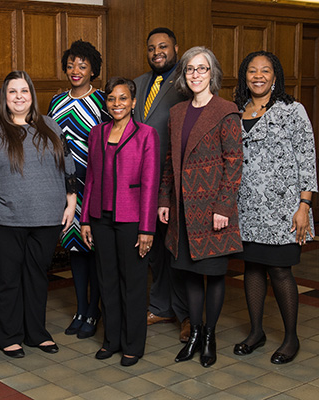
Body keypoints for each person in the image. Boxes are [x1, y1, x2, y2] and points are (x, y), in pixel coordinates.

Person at [0, 70, 77, 359]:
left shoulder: (50, 126)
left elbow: (67, 167)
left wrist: (70, 205)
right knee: (6, 278)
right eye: (12, 91)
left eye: (24, 91)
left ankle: (35, 332)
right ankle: (9, 335)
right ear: (5, 97)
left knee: (37, 277)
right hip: (2, 217)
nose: (19, 97)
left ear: (32, 96)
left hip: (46, 218)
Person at [157, 46, 243, 368]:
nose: (195, 74)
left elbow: (234, 163)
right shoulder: (177, 112)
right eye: (190, 69)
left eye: (202, 69)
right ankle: (193, 334)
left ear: (212, 74)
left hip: (213, 210)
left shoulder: (226, 110)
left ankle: (209, 336)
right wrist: (164, 199)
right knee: (190, 275)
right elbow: (170, 160)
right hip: (182, 208)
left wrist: (223, 206)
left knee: (213, 274)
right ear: (184, 75)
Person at [232, 51, 318, 364]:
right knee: (252, 268)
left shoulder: (293, 110)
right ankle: (256, 332)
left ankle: (291, 337)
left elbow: (307, 158)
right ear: (245, 76)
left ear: (275, 76)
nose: (258, 75)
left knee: (280, 270)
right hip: (248, 207)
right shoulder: (238, 110)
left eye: (265, 70)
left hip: (284, 208)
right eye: (252, 70)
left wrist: (304, 205)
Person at [80, 77, 160, 367]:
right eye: (112, 99)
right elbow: (90, 178)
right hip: (101, 218)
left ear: (133, 102)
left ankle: (132, 345)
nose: (117, 104)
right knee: (106, 281)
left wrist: (147, 228)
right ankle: (111, 340)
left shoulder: (146, 134)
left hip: (132, 219)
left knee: (133, 284)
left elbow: (150, 183)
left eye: (123, 98)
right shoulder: (97, 133)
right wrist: (86, 218)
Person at [47, 40, 110, 339]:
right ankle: (81, 308)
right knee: (74, 248)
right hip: (65, 187)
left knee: (93, 248)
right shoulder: (57, 102)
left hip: (94, 184)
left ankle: (94, 310)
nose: (75, 70)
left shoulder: (102, 102)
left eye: (82, 66)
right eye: (71, 65)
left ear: (93, 70)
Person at [133, 27, 190, 342]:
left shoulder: (186, 81)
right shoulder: (140, 84)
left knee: (177, 250)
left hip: (175, 180)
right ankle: (160, 305)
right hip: (143, 182)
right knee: (153, 250)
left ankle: (186, 315)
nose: (157, 52)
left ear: (176, 47)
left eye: (164, 46)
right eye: (152, 47)